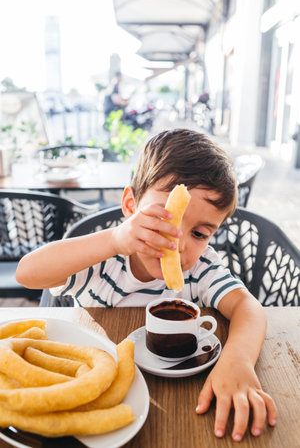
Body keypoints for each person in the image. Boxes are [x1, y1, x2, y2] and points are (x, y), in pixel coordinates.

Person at [16, 128, 277, 442]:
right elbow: (27, 273)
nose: (178, 245)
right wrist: (113, 239)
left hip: (176, 402)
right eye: (164, 219)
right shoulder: (100, 260)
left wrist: (238, 359)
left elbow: (248, 308)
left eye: (199, 233)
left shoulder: (202, 267)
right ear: (130, 206)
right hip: (91, 387)